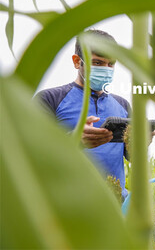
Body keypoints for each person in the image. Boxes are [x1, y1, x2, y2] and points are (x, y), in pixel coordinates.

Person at [35, 29, 141, 201]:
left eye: (111, 64)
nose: (106, 69)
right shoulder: (50, 99)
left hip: (115, 206)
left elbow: (133, 156)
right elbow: (32, 153)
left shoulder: (122, 106)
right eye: (98, 63)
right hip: (66, 206)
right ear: (77, 62)